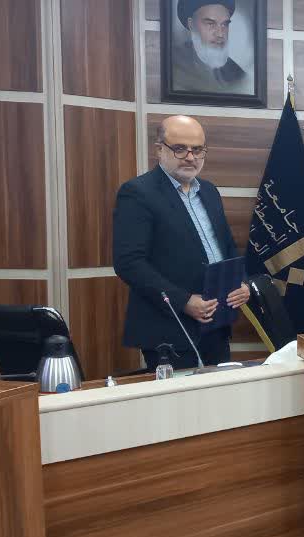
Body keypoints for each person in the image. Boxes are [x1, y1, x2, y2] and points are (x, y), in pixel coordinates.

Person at [113, 115, 249, 370]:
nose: (190, 157)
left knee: (220, 394)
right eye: (179, 149)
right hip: (170, 328)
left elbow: (227, 248)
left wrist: (241, 283)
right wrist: (183, 301)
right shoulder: (138, 193)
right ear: (159, 150)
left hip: (216, 323)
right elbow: (129, 263)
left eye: (197, 150)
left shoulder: (209, 191)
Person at [172, 0, 252, 95]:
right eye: (210, 24)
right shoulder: (174, 62)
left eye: (224, 24)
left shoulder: (237, 75)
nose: (220, 34)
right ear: (191, 25)